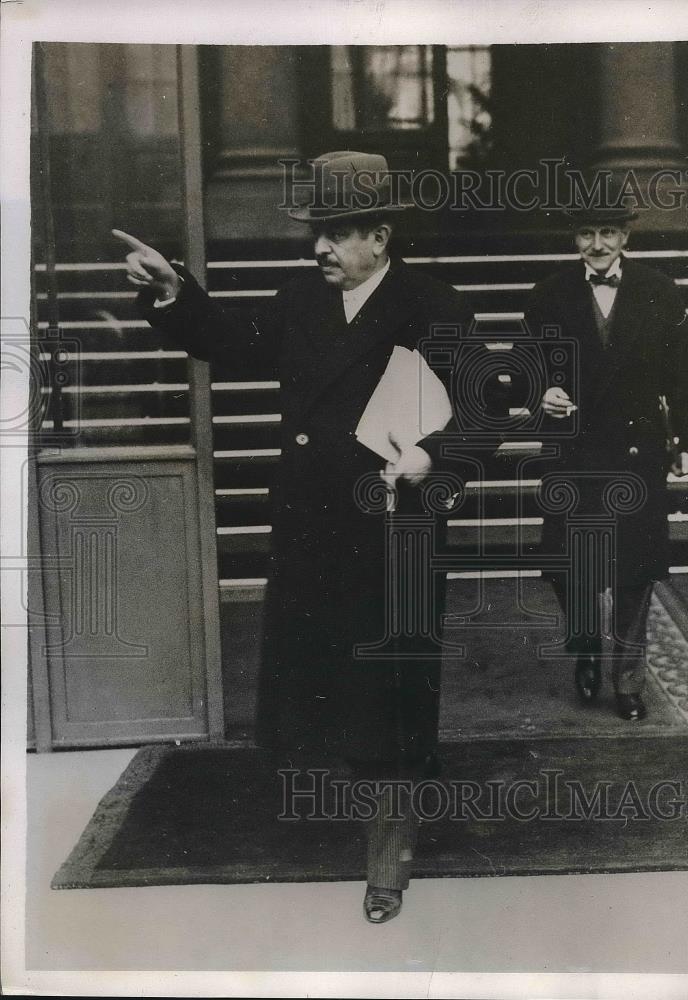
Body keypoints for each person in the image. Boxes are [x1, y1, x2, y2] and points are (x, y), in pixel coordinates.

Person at [113, 151, 472, 924]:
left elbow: (477, 416)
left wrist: (428, 458)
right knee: (322, 693)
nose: (320, 248)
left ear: (379, 236)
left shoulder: (435, 306)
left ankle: (389, 863)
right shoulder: (300, 300)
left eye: (338, 234)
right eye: (317, 232)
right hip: (312, 533)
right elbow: (234, 338)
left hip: (389, 541)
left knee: (389, 701)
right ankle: (360, 815)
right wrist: (175, 290)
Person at [523, 190, 688, 722]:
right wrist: (541, 393)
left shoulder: (660, 292)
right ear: (574, 238)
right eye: (586, 233)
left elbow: (685, 377)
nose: (597, 244)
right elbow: (526, 366)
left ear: (626, 236)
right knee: (568, 568)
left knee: (633, 571)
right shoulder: (548, 294)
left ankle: (627, 681)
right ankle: (584, 647)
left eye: (608, 233)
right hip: (573, 453)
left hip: (636, 454)